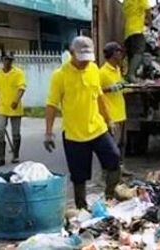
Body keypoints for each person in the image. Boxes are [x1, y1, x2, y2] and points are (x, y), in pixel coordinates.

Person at [44, 36, 121, 209]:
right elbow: (51, 105)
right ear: (71, 53)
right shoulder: (60, 76)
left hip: (98, 129)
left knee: (114, 158)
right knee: (79, 176)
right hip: (74, 135)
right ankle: (81, 208)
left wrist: (109, 120)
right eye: (82, 59)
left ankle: (110, 198)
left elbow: (99, 96)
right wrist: (48, 133)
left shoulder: (93, 69)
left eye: (88, 59)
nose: (85, 63)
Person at [100, 42, 133, 176]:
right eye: (118, 52)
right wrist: (109, 88)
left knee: (122, 143)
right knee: (111, 146)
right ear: (113, 54)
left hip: (121, 112)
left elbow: (120, 86)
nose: (121, 54)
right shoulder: (102, 72)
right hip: (111, 114)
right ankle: (108, 171)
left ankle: (120, 168)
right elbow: (96, 91)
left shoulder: (117, 69)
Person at [0, 51, 26, 167]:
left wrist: (16, 100)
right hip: (2, 107)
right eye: (6, 59)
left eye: (10, 60)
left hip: (15, 107)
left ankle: (15, 155)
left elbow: (21, 88)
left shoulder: (18, 73)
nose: (8, 62)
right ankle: (0, 157)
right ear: (2, 60)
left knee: (15, 133)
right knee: (0, 131)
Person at [122, 0, 151, 82]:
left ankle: (128, 76)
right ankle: (131, 75)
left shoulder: (126, 1)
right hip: (137, 29)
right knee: (139, 51)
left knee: (131, 54)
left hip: (128, 31)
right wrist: (150, 22)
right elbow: (147, 10)